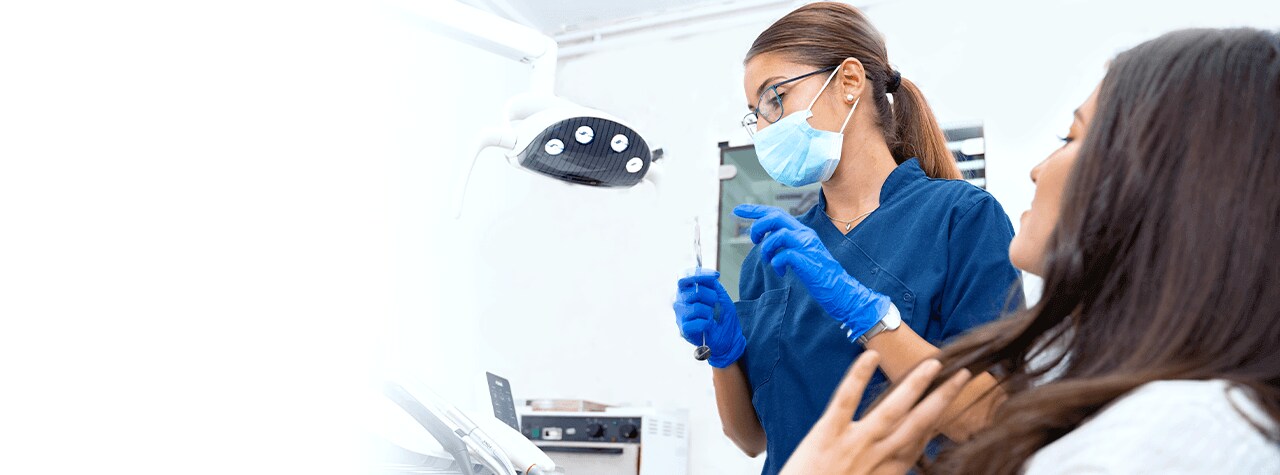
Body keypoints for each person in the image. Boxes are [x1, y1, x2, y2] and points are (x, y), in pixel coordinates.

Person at [780, 27, 1280, 474]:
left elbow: (985, 412)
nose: (1037, 168)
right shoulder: (1111, 398)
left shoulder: (1171, 441)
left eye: (1071, 136)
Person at [671, 3, 1023, 473]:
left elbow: (990, 419)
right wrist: (724, 356)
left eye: (775, 98)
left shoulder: (960, 217)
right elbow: (751, 438)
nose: (764, 127)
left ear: (849, 81)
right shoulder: (772, 256)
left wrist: (868, 315)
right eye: (754, 114)